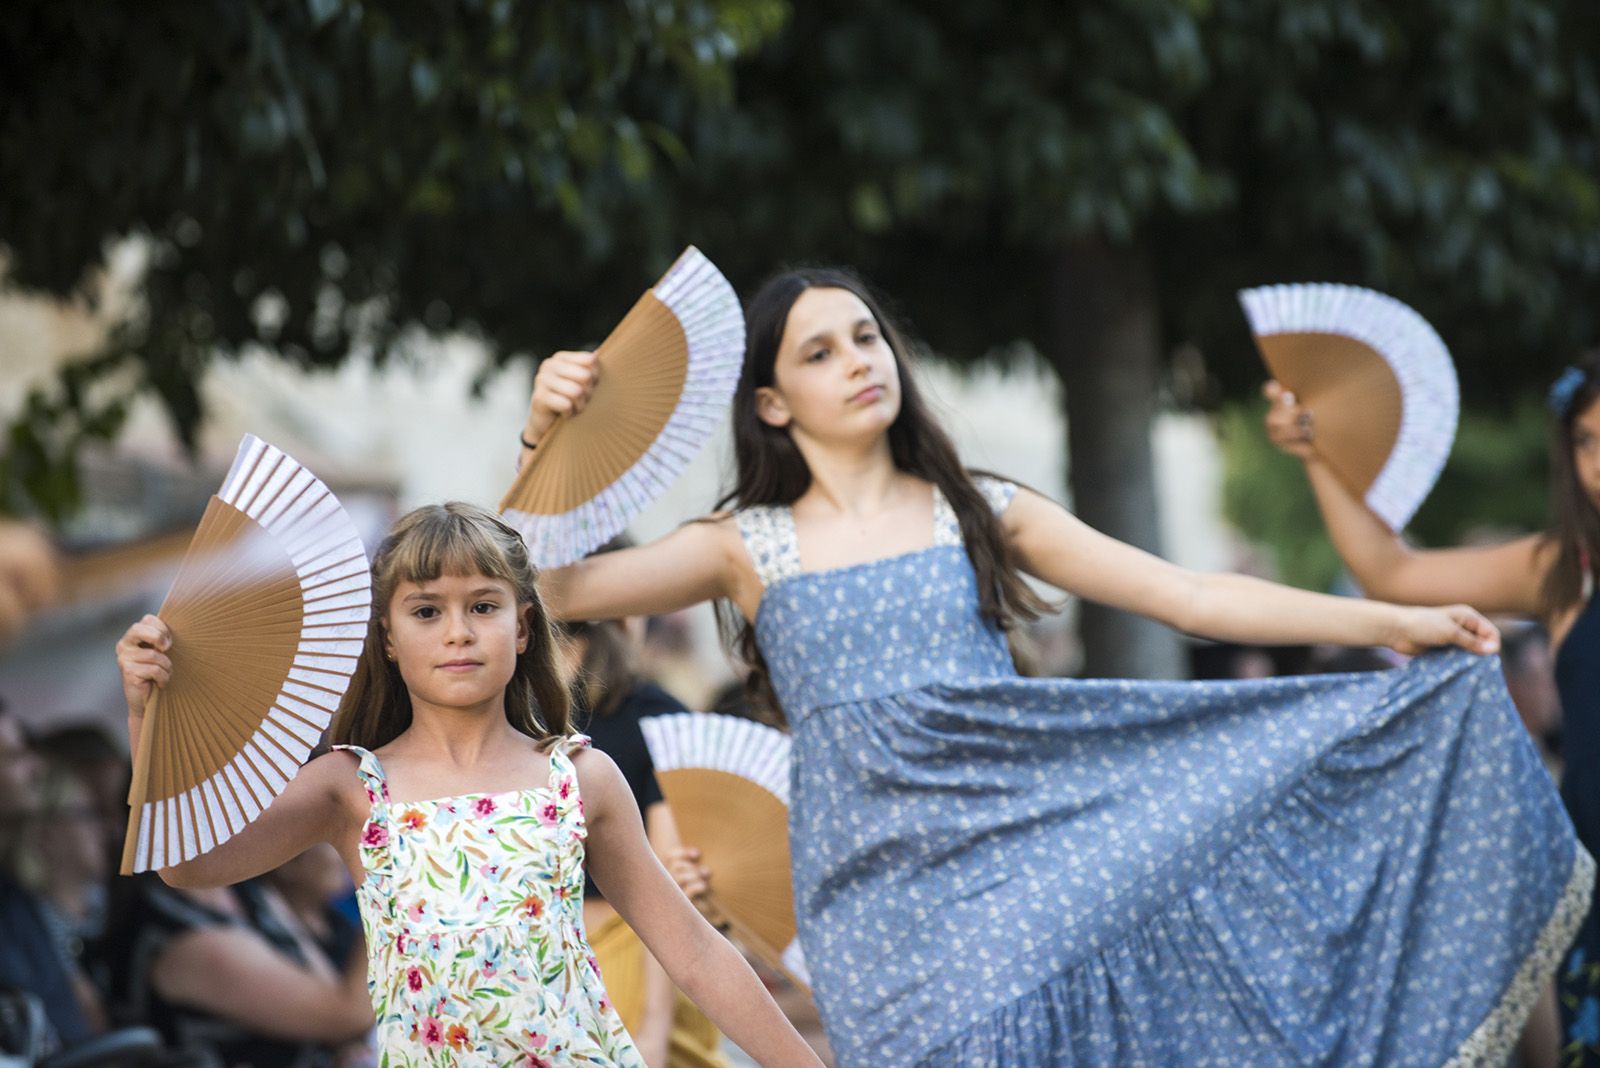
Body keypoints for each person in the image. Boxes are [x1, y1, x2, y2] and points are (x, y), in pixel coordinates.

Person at [519, 266, 1590, 1066]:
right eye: (820, 352)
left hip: (1029, 855)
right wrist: (540, 437)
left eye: (866, 336)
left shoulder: (977, 509)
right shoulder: (740, 545)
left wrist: (1393, 619)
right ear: (770, 405)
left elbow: (1195, 595)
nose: (858, 361)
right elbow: (542, 590)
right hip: (877, 907)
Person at [114, 502, 822, 1068]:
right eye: (426, 611)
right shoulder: (352, 788)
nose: (458, 631)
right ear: (388, 638)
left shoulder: (579, 777)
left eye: (483, 606)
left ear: (522, 627)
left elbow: (693, 951)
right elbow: (185, 864)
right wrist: (148, 713)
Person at [1265, 355, 1600, 1065]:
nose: (1599, 463)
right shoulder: (1568, 569)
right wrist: (1317, 455)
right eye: (1586, 441)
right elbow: (1391, 575)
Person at [559, 606, 730, 1068]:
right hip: (634, 957)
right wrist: (654, 1027)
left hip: (534, 964)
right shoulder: (659, 714)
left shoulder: (503, 720)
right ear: (629, 619)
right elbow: (667, 882)